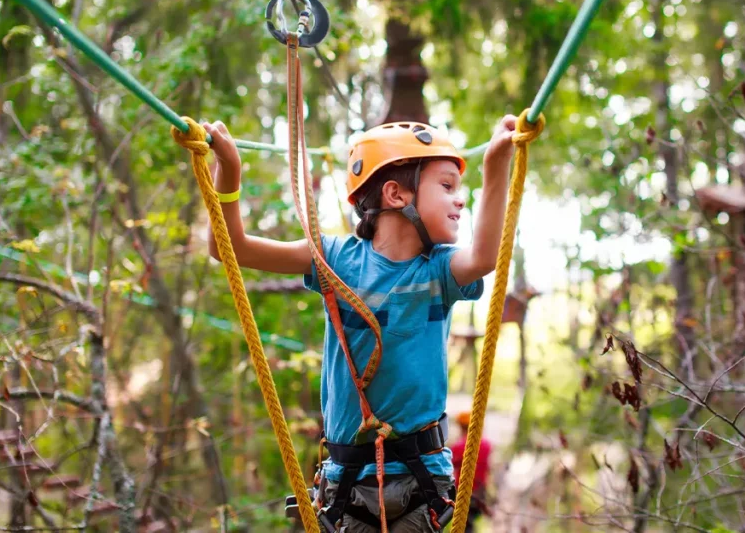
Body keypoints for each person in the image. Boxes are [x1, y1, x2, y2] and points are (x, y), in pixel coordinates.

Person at [203, 115, 518, 532]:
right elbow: (230, 247)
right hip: (347, 484)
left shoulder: (440, 270)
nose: (459, 201)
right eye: (446, 187)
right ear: (394, 194)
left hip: (422, 478)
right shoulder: (334, 259)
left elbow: (484, 257)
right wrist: (229, 170)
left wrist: (497, 164)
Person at [449, 411, 492, 532]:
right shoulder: (486, 445)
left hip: (464, 492)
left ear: (461, 427)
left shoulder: (459, 447)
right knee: (468, 524)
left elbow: (449, 466)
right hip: (480, 492)